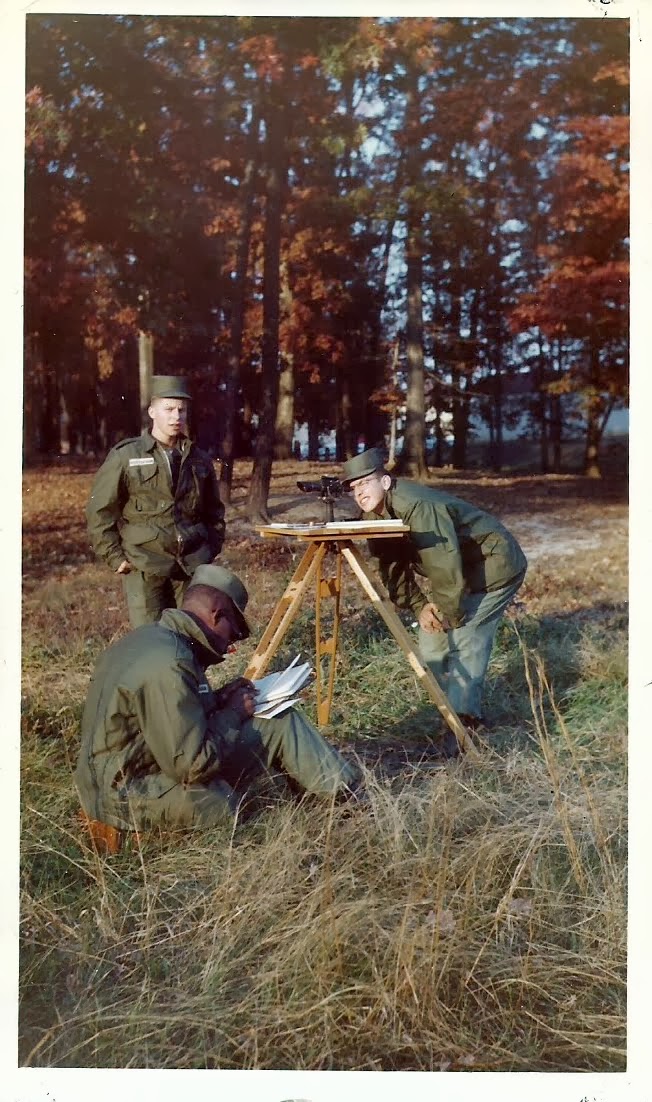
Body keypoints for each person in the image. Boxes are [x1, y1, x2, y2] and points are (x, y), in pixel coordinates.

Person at [75, 564, 362, 832]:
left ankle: (344, 800)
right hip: (122, 790)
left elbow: (161, 719)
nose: (229, 647)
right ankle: (346, 809)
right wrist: (233, 714)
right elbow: (192, 765)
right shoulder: (172, 661)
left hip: (134, 767)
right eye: (234, 634)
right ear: (217, 614)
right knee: (219, 804)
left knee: (279, 722)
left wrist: (219, 700)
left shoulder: (152, 639)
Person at [341, 447, 527, 750]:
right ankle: (449, 712)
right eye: (353, 488)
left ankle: (465, 725)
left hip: (494, 563)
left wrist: (448, 612)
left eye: (365, 483)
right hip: (461, 570)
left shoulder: (418, 505)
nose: (359, 492)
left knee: (466, 635)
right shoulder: (374, 512)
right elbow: (391, 566)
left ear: (385, 482)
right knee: (432, 641)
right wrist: (419, 606)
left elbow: (443, 561)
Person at [86, 375, 225, 627]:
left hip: (190, 565)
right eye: (168, 409)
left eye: (181, 410)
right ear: (152, 412)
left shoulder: (198, 458)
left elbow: (214, 512)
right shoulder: (126, 456)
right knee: (151, 639)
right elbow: (100, 511)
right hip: (145, 565)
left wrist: (210, 549)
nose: (176, 416)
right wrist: (114, 557)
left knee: (191, 635)